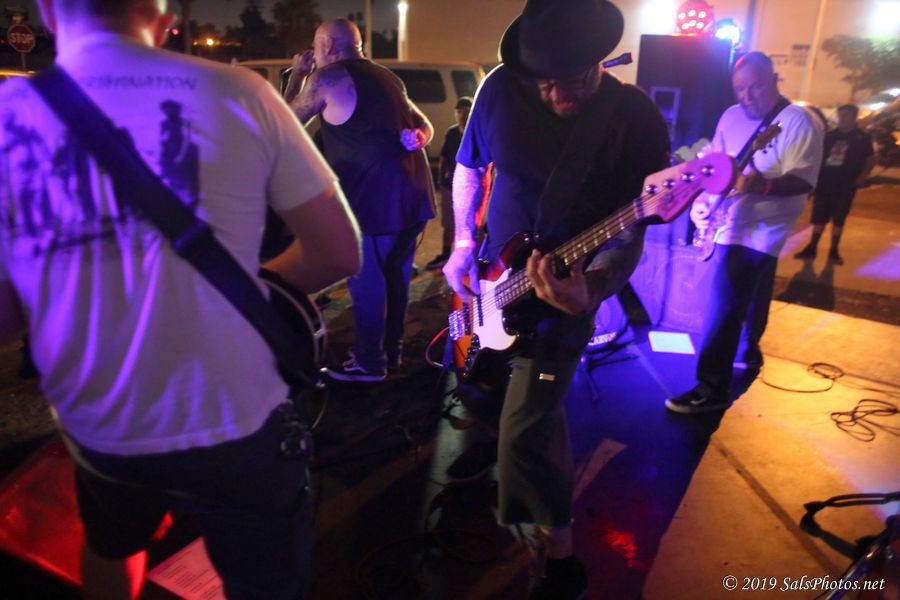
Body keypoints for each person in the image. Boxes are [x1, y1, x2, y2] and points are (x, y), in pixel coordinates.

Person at [0, 1, 362, 598]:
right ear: (165, 15)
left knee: (112, 548)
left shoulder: (10, 114)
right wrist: (243, 284)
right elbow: (338, 253)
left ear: (48, 12)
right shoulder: (240, 92)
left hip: (102, 425)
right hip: (238, 418)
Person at [442, 1, 670, 597]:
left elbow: (630, 233)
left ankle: (561, 560)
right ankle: (492, 450)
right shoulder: (499, 89)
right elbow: (468, 167)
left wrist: (588, 291)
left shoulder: (635, 119)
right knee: (478, 386)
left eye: (569, 77)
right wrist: (463, 243)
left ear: (599, 58)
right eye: (542, 79)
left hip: (563, 300)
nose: (554, 90)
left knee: (528, 427)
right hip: (494, 281)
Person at [666, 52, 823, 415]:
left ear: (774, 80)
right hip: (726, 220)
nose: (746, 96)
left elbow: (803, 180)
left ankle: (711, 388)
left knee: (722, 305)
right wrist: (699, 191)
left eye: (755, 87)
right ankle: (748, 351)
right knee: (743, 297)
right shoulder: (730, 116)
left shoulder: (797, 121)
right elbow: (716, 159)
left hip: (759, 230)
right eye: (739, 89)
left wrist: (760, 185)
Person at [285, 19, 435, 382]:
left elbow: (283, 126)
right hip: (412, 195)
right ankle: (391, 353)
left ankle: (369, 362)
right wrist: (421, 136)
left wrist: (297, 76)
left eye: (315, 47)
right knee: (395, 279)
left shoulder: (326, 78)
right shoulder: (387, 76)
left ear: (327, 47)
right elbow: (424, 124)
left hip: (372, 202)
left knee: (366, 281)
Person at [795, 104, 875, 265]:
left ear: (854, 117)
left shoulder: (862, 137)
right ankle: (812, 247)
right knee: (819, 215)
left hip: (846, 183)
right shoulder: (829, 136)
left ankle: (834, 250)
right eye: (840, 115)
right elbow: (818, 157)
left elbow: (870, 158)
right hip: (825, 181)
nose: (842, 118)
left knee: (839, 217)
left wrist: (862, 176)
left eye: (846, 115)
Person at [425, 96, 472, 270]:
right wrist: (441, 179)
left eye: (466, 111)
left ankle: (467, 257)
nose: (462, 115)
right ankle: (446, 254)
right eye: (459, 111)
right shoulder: (452, 132)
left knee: (469, 224)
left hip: (469, 185)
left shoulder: (473, 131)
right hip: (451, 184)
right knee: (449, 223)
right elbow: (444, 156)